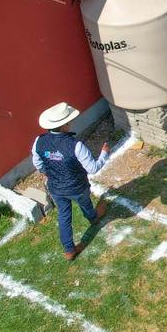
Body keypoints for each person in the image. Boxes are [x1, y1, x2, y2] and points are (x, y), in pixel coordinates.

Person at [31, 102, 110, 260]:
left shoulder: (38, 141)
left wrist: (48, 174)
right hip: (77, 187)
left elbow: (38, 164)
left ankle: (69, 250)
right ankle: (93, 217)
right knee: (85, 202)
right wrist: (104, 154)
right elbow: (92, 168)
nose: (70, 123)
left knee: (64, 216)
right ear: (63, 126)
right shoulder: (76, 145)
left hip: (56, 188)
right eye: (68, 122)